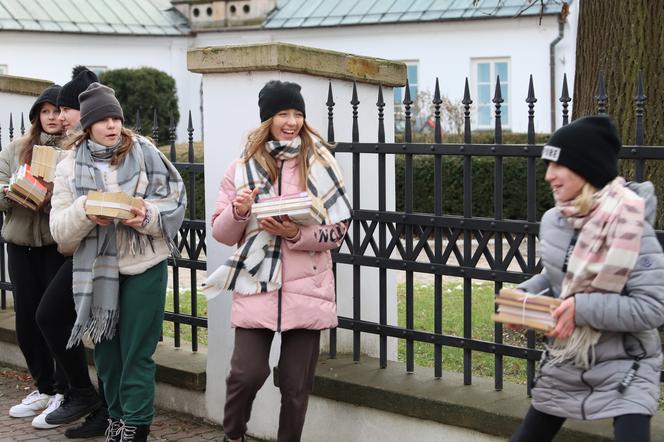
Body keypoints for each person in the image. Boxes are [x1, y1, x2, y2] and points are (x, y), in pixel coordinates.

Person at [208, 80, 352, 442]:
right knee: (246, 373)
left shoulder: (322, 164)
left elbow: (338, 233)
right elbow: (221, 233)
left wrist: (294, 235)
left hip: (309, 286)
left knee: (294, 382)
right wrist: (240, 212)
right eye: (283, 113)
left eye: (298, 113)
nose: (292, 121)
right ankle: (233, 436)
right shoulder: (240, 168)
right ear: (266, 119)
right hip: (256, 283)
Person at [509, 116, 664, 442]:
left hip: (626, 366)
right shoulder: (555, 220)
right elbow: (558, 277)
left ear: (586, 169)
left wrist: (581, 308)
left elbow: (652, 307)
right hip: (568, 360)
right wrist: (524, 297)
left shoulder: (633, 229)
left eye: (558, 165)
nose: (548, 175)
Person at [49, 82, 186, 442]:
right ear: (88, 125)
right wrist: (86, 211)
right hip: (98, 272)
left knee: (136, 355)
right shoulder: (68, 166)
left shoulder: (144, 151)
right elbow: (60, 230)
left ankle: (135, 427)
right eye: (103, 119)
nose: (112, 125)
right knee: (108, 357)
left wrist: (145, 216)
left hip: (145, 264)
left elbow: (175, 199)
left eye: (116, 117)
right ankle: (116, 418)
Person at [34, 65, 107, 438]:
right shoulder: (68, 151)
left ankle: (104, 408)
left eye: (66, 109)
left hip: (107, 254)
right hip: (77, 252)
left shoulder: (110, 149)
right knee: (50, 315)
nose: (60, 117)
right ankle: (84, 394)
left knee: (109, 333)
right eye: (57, 110)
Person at [0, 85, 70, 429]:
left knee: (53, 317)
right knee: (26, 320)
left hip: (54, 246)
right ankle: (42, 387)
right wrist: (14, 191)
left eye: (58, 111)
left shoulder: (73, 150)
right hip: (20, 243)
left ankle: (63, 389)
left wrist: (50, 194)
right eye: (46, 111)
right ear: (37, 116)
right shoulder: (15, 148)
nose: (54, 117)